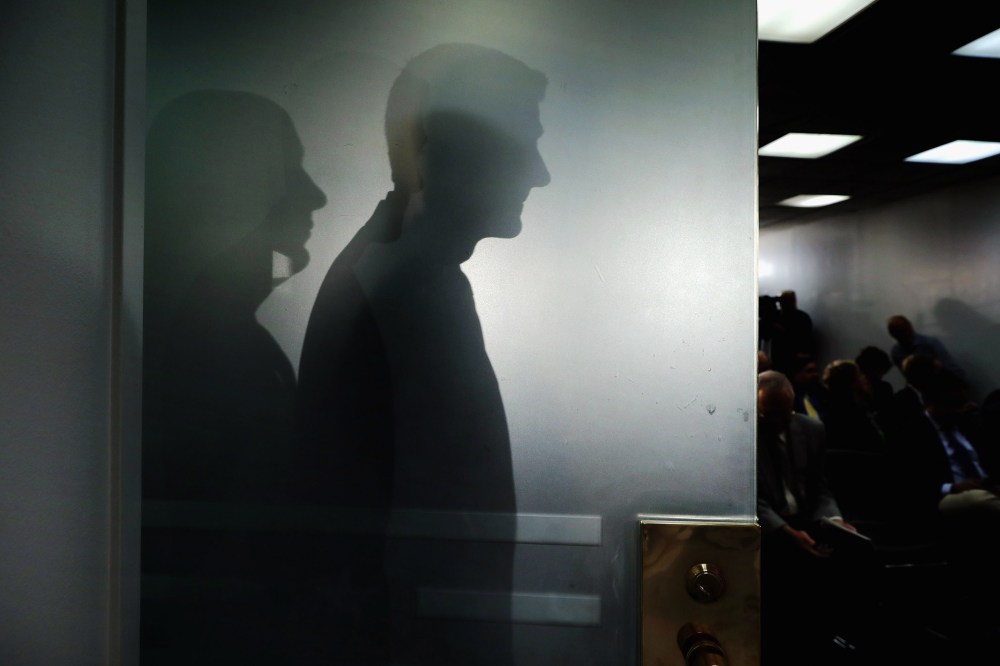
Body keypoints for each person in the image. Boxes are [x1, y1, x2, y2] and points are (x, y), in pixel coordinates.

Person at [296, 44, 550, 664]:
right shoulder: (410, 287)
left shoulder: (395, 270)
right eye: (522, 143)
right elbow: (440, 542)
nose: (539, 172)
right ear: (446, 150)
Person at [142, 90, 327, 662]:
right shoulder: (197, 346)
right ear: (217, 193)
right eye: (285, 172)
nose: (316, 196)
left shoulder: (210, 331)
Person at [757, 370, 868, 661]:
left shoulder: (810, 429)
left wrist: (834, 520)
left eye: (786, 412)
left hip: (806, 520)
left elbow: (820, 489)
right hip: (767, 527)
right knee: (784, 563)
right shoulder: (743, 434)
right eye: (771, 414)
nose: (781, 420)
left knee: (850, 549)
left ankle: (830, 641)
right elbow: (748, 498)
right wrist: (784, 531)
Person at [886, 314, 963, 377]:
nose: (903, 334)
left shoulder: (930, 343)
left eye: (903, 330)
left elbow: (952, 369)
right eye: (899, 332)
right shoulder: (896, 352)